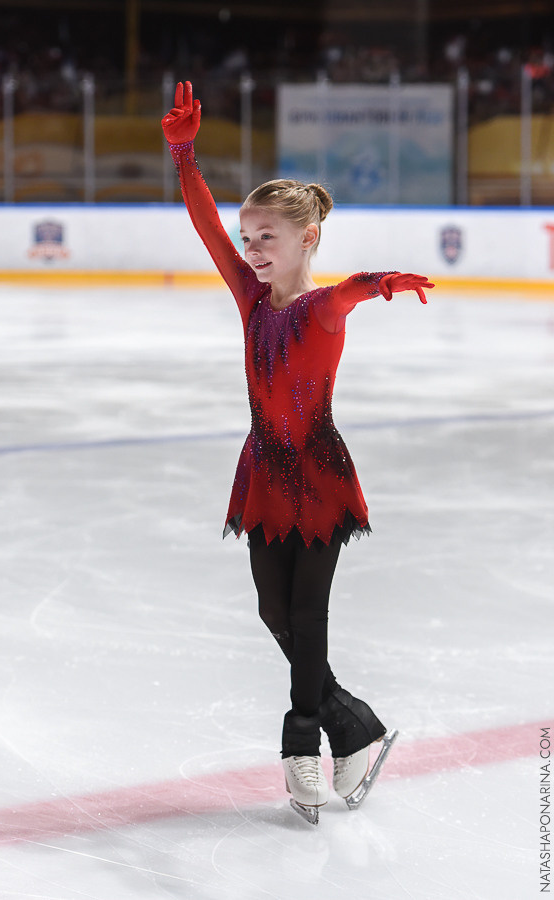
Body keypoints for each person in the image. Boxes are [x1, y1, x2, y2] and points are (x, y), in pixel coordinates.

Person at [161, 82, 433, 824]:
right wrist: (184, 153)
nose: (250, 252)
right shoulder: (250, 299)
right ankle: (356, 725)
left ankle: (304, 742)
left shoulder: (319, 308)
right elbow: (204, 226)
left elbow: (346, 293)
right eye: (248, 240)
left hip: (315, 471)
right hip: (263, 469)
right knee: (272, 608)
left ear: (305, 239)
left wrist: (380, 283)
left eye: (266, 239)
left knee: (307, 612)